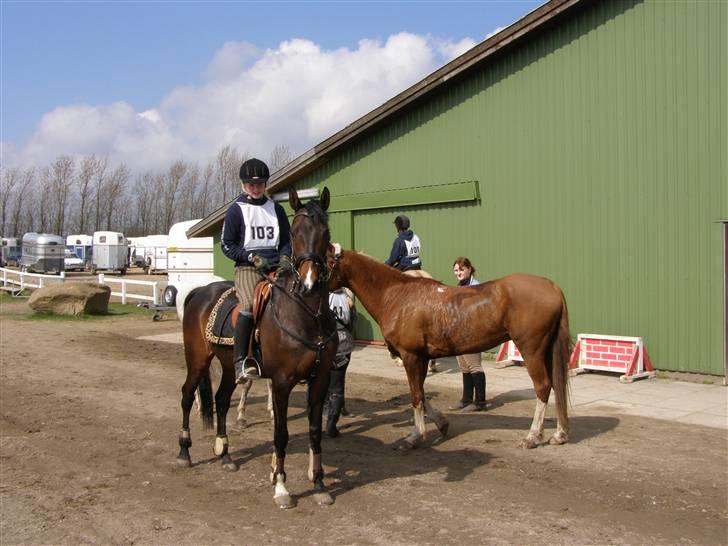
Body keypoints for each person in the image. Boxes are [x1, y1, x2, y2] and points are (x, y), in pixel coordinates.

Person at [221, 158, 292, 383]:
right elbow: (227, 245)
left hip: (275, 267)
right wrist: (250, 256)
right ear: (243, 185)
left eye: (260, 184)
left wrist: (285, 257)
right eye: (251, 185)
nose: (256, 188)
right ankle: (241, 361)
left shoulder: (276, 209)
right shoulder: (236, 210)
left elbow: (286, 240)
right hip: (248, 268)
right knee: (249, 306)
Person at [449, 257, 488, 412]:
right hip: (460, 333)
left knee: (474, 365)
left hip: (472, 333)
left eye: (461, 269)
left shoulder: (477, 287)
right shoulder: (458, 287)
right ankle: (466, 399)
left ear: (469, 269)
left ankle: (480, 402)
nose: (458, 273)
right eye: (456, 270)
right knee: (464, 366)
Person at [325, 287, 356, 438]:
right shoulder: (347, 298)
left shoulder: (322, 296)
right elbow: (352, 322)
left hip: (325, 343)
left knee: (321, 381)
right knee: (337, 385)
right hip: (344, 343)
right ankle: (331, 426)